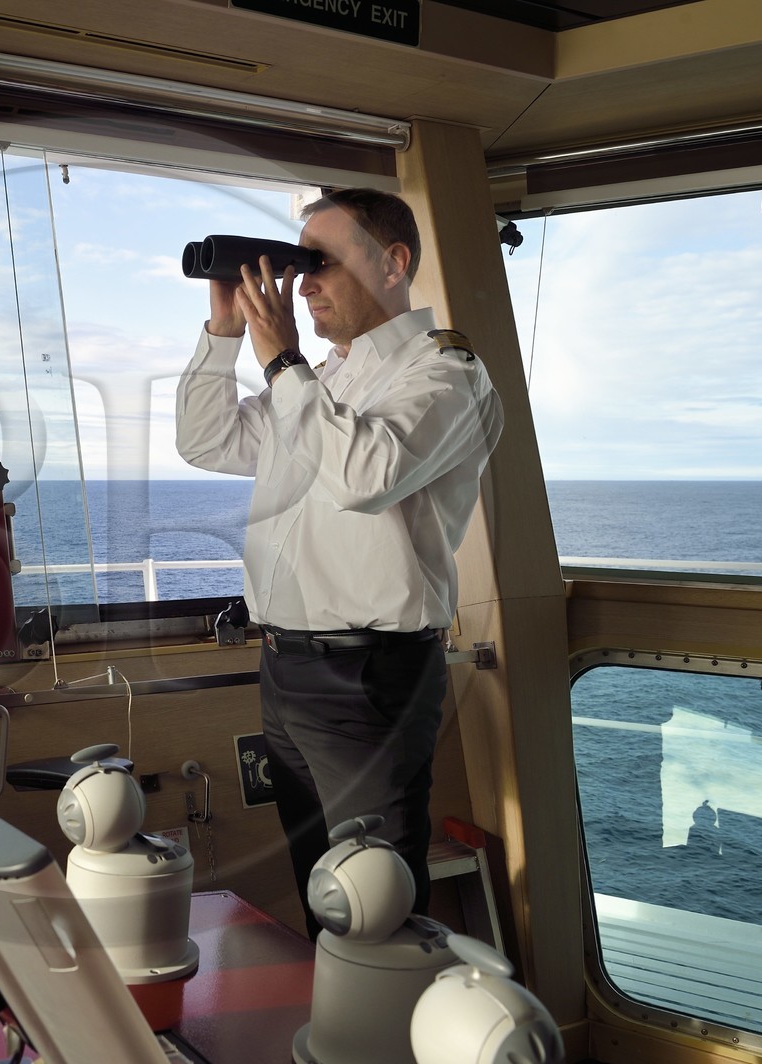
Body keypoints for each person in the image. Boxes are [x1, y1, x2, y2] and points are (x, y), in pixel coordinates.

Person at [175, 188, 504, 936]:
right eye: (300, 264)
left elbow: (365, 476)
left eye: (319, 262)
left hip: (369, 674)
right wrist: (226, 333)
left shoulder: (445, 374)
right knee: (322, 893)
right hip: (286, 668)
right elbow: (207, 441)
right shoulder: (322, 382)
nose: (304, 281)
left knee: (374, 899)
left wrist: (283, 358)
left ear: (393, 264)